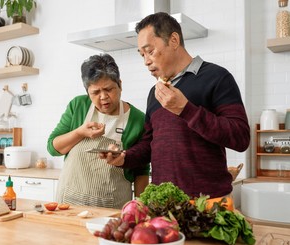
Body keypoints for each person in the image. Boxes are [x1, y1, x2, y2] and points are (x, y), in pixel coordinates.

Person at [102, 12, 250, 210]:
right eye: (142, 54)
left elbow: (240, 137)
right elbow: (149, 144)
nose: (145, 61)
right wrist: (125, 157)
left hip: (208, 204)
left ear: (173, 40)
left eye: (150, 51)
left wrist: (186, 109)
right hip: (163, 204)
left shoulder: (217, 77)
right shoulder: (155, 93)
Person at [47, 53, 149, 209]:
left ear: (120, 85)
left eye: (109, 89)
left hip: (112, 206)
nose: (103, 97)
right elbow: (53, 148)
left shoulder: (138, 119)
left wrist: (141, 209)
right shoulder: (78, 106)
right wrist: (79, 133)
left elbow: (142, 170)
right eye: (95, 92)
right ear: (87, 91)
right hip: (68, 203)